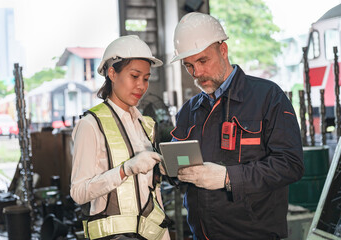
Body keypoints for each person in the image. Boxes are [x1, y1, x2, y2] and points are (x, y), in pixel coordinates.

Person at [169, 12, 304, 240]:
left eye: (203, 61)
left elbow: (290, 164)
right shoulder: (188, 111)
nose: (197, 73)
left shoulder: (268, 97)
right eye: (189, 65)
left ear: (223, 51)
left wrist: (228, 177)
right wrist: (168, 169)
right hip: (201, 235)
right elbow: (178, 168)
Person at [70, 35, 171, 240]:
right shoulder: (91, 124)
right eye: (134, 76)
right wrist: (125, 170)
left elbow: (151, 192)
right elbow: (79, 192)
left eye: (145, 78)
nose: (142, 86)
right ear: (112, 73)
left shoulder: (145, 125)